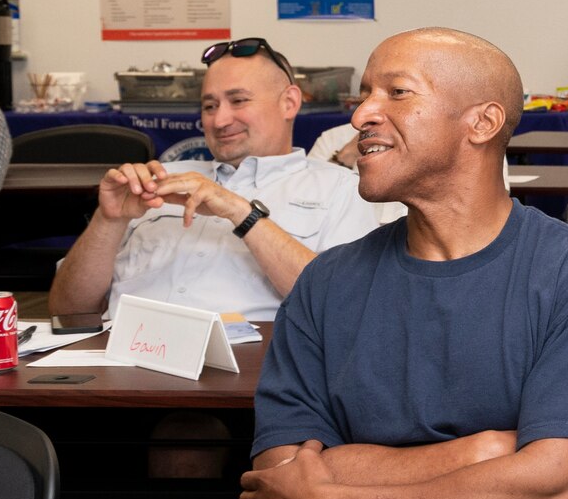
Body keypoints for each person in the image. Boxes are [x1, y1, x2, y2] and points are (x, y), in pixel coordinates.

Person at [245, 28, 568, 499]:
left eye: (397, 92)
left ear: (482, 123)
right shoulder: (325, 284)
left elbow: (557, 496)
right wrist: (481, 452)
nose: (360, 117)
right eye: (364, 95)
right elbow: (281, 481)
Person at [48, 37, 378, 322]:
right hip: (117, 363)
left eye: (238, 101)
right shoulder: (162, 180)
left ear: (289, 102)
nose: (220, 120)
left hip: (241, 373)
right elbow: (66, 309)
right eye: (209, 105)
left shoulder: (341, 189)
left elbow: (339, 306)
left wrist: (242, 214)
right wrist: (109, 220)